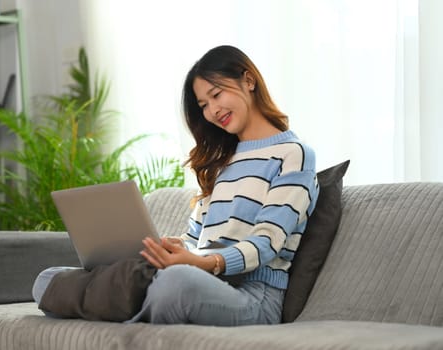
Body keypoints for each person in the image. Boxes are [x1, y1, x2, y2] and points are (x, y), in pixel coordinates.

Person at [32, 45, 319, 326]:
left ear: (249, 80)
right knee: (47, 280)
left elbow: (267, 242)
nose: (213, 110)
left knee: (175, 282)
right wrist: (175, 248)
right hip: (201, 278)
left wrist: (204, 264)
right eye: (204, 105)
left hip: (255, 296)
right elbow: (196, 239)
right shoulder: (219, 162)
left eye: (216, 94)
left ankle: (124, 309)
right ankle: (135, 304)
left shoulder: (293, 154)